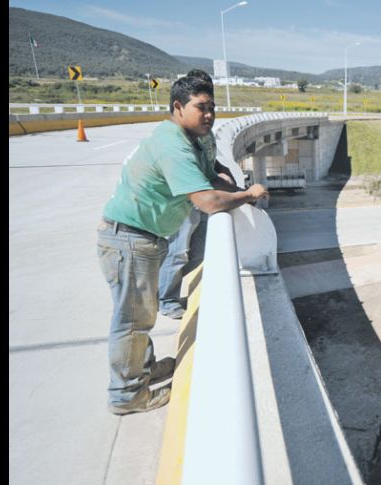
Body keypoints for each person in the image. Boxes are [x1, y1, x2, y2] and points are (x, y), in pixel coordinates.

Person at [97, 75, 269, 415]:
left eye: (212, 108)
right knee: (132, 320)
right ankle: (126, 395)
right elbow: (206, 200)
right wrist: (247, 194)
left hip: (143, 236)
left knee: (139, 314)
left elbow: (213, 169)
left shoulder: (196, 138)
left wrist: (226, 180)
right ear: (178, 107)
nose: (209, 115)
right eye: (200, 108)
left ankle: (142, 371)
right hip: (129, 238)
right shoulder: (172, 145)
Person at [158, 69, 237, 319]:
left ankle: (168, 291)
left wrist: (222, 169)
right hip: (185, 201)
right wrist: (239, 192)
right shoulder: (181, 135)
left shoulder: (205, 127)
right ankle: (167, 299)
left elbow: (210, 162)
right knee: (178, 250)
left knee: (193, 252)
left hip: (196, 200)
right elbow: (199, 171)